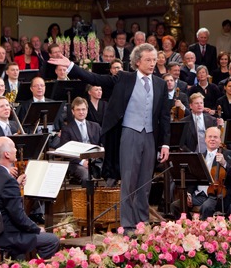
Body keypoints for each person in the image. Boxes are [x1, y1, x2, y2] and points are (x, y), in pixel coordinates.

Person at [49, 43, 171, 232]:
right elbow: (95, 78)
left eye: (154, 60)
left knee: (146, 180)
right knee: (129, 180)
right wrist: (71, 66)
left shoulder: (160, 84)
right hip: (129, 133)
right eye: (148, 60)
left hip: (150, 136)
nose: (152, 63)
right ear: (137, 62)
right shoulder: (124, 78)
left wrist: (165, 144)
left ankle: (142, 222)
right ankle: (129, 224)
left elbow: (164, 116)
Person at [0, 136, 60, 259]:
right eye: (14, 147)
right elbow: (18, 217)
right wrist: (36, 229)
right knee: (52, 240)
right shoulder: (7, 181)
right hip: (6, 236)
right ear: (6, 154)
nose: (16, 150)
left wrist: (15, 184)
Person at [171, 126, 231, 219]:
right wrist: (189, 193)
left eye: (215, 137)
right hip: (199, 195)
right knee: (176, 205)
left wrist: (224, 163)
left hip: (217, 196)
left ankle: (204, 231)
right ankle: (188, 227)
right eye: (210, 137)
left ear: (220, 140)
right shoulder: (200, 156)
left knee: (207, 207)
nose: (212, 139)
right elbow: (194, 178)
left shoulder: (227, 154)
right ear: (205, 139)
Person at [58, 97, 101, 185]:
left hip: (95, 160)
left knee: (112, 172)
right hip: (76, 163)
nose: (81, 112)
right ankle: (87, 198)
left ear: (87, 110)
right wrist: (82, 162)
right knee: (86, 177)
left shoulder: (96, 126)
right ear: (73, 112)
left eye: (83, 109)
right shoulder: (67, 129)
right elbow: (65, 152)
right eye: (78, 110)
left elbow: (103, 144)